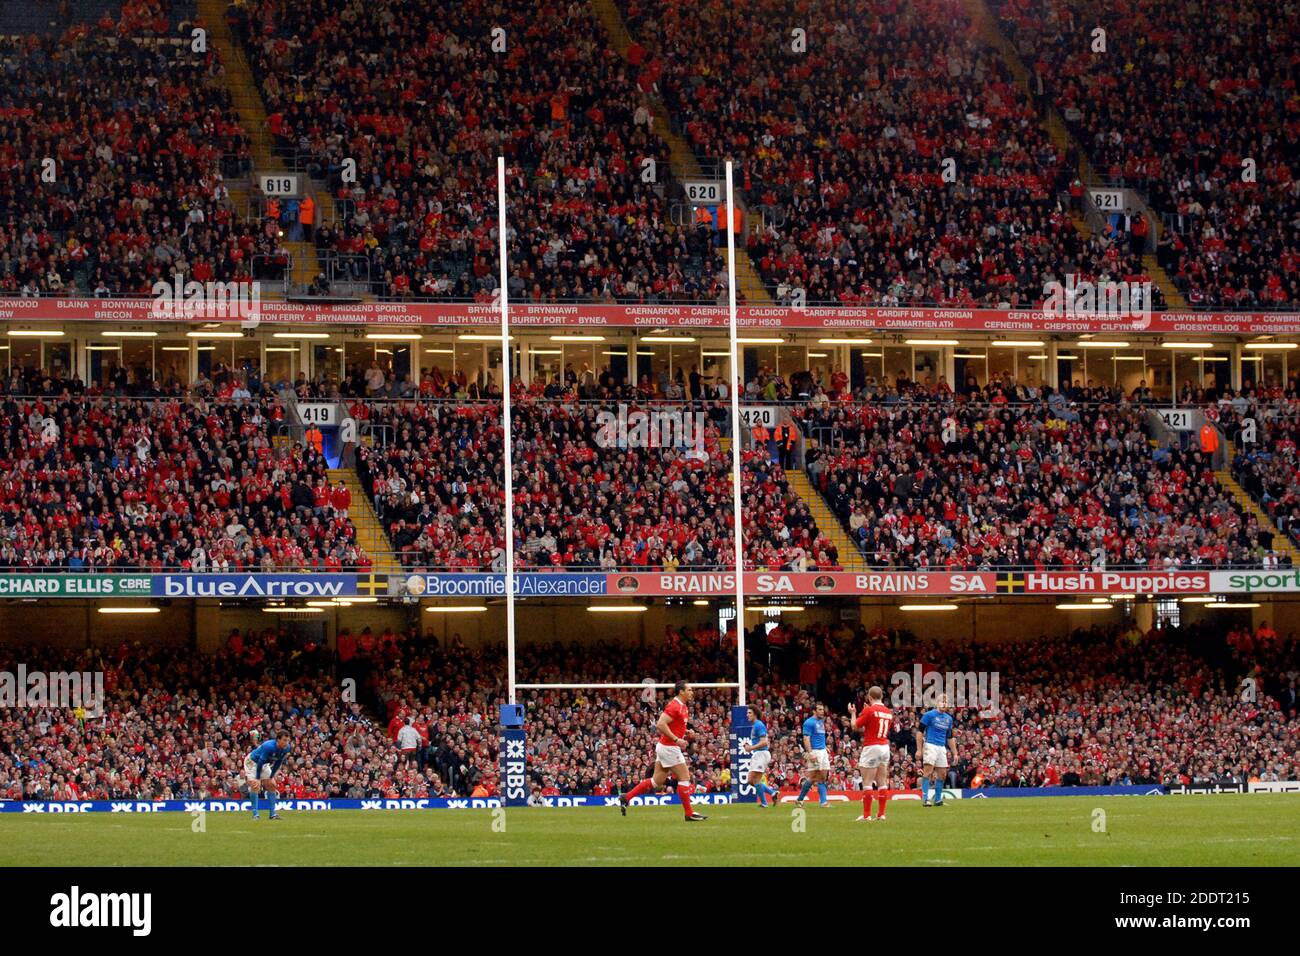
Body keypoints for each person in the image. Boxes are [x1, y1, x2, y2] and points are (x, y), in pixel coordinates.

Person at [618, 681, 708, 822]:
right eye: (689, 690)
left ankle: (626, 797)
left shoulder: (682, 706)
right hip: (669, 747)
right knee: (685, 778)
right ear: (681, 692)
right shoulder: (675, 705)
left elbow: (674, 726)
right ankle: (689, 813)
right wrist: (676, 739)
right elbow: (660, 724)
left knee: (656, 781)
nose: (692, 692)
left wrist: (685, 733)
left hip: (665, 746)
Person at [849, 686, 893, 822]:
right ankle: (881, 814)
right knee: (882, 781)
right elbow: (875, 726)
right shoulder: (888, 712)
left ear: (869, 697)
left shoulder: (869, 710)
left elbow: (855, 726)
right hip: (885, 746)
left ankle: (867, 815)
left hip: (872, 746)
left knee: (867, 782)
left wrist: (853, 713)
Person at [917, 694, 955, 807]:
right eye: (941, 701)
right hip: (930, 745)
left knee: (942, 774)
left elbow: (950, 737)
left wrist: (955, 753)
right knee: (928, 771)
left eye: (946, 702)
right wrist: (919, 749)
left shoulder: (949, 718)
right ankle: (925, 799)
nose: (944, 704)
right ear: (937, 703)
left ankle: (938, 800)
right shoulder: (929, 715)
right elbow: (919, 732)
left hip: (942, 747)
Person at [244, 730, 292, 820]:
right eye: (284, 740)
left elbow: (279, 761)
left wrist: (271, 776)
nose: (286, 743)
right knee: (255, 785)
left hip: (264, 764)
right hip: (252, 763)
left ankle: (272, 814)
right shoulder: (268, 746)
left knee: (272, 784)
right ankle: (255, 814)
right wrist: (258, 778)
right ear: (278, 740)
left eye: (287, 740)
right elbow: (259, 763)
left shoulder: (287, 748)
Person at [741, 706, 779, 807]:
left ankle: (764, 803)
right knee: (750, 780)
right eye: (747, 713)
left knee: (755, 780)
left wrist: (751, 748)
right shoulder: (755, 726)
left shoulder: (759, 725)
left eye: (749, 713)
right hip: (758, 754)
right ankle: (772, 793)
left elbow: (764, 742)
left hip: (761, 754)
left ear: (755, 714)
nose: (747, 715)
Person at [795, 702, 831, 807]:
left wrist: (825, 747)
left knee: (822, 777)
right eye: (819, 709)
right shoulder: (809, 722)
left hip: (822, 751)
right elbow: (806, 738)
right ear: (814, 711)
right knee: (815, 777)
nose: (822, 711)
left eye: (822, 709)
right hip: (815, 751)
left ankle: (801, 799)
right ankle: (822, 802)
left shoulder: (820, 722)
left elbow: (819, 737)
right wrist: (810, 753)